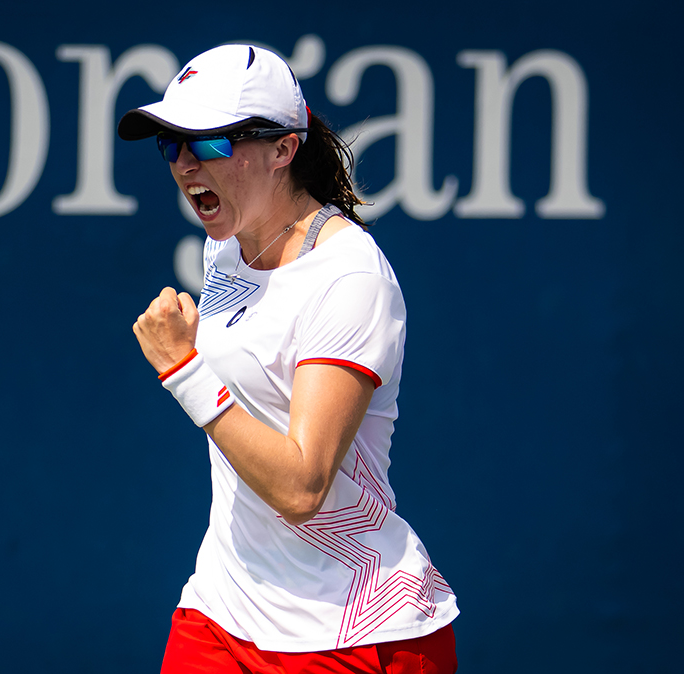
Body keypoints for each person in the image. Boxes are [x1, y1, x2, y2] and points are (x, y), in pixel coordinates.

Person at [119, 44, 459, 674]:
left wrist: (184, 371)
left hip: (350, 632)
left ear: (284, 149)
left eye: (212, 143)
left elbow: (302, 488)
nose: (187, 164)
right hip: (221, 610)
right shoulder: (225, 249)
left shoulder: (350, 277)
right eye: (172, 145)